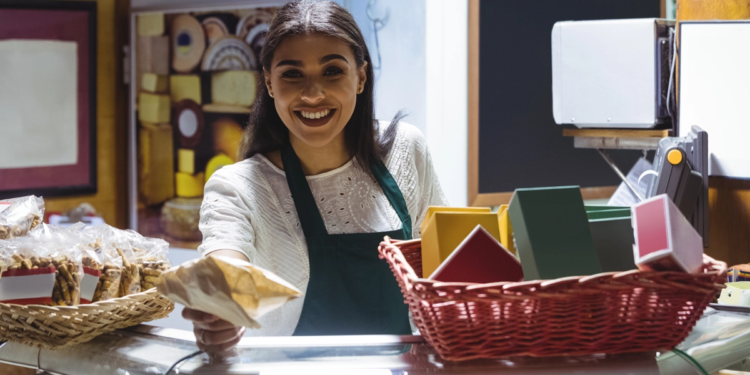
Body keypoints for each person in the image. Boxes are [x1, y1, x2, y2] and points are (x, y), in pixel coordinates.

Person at [183, 0, 447, 352]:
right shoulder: (238, 187)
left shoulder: (406, 151)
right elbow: (225, 264)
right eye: (292, 74)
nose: (312, 94)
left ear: (361, 77)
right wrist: (221, 311)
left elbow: (446, 263)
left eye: (332, 71)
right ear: (270, 83)